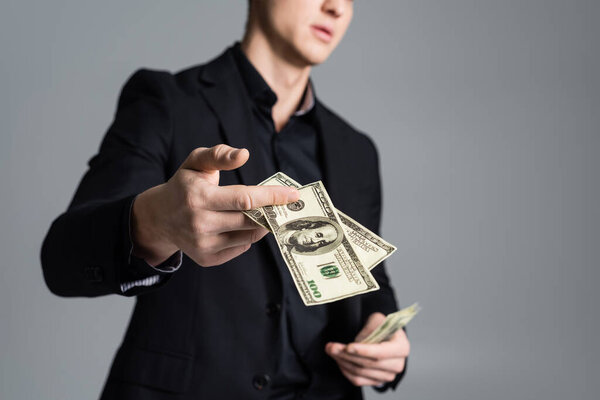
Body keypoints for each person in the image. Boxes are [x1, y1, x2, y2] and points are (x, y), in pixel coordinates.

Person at [40, 0, 410, 399]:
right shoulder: (166, 102)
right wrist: (154, 222)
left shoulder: (356, 150)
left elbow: (372, 282)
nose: (336, 7)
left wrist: (385, 333)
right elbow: (63, 260)